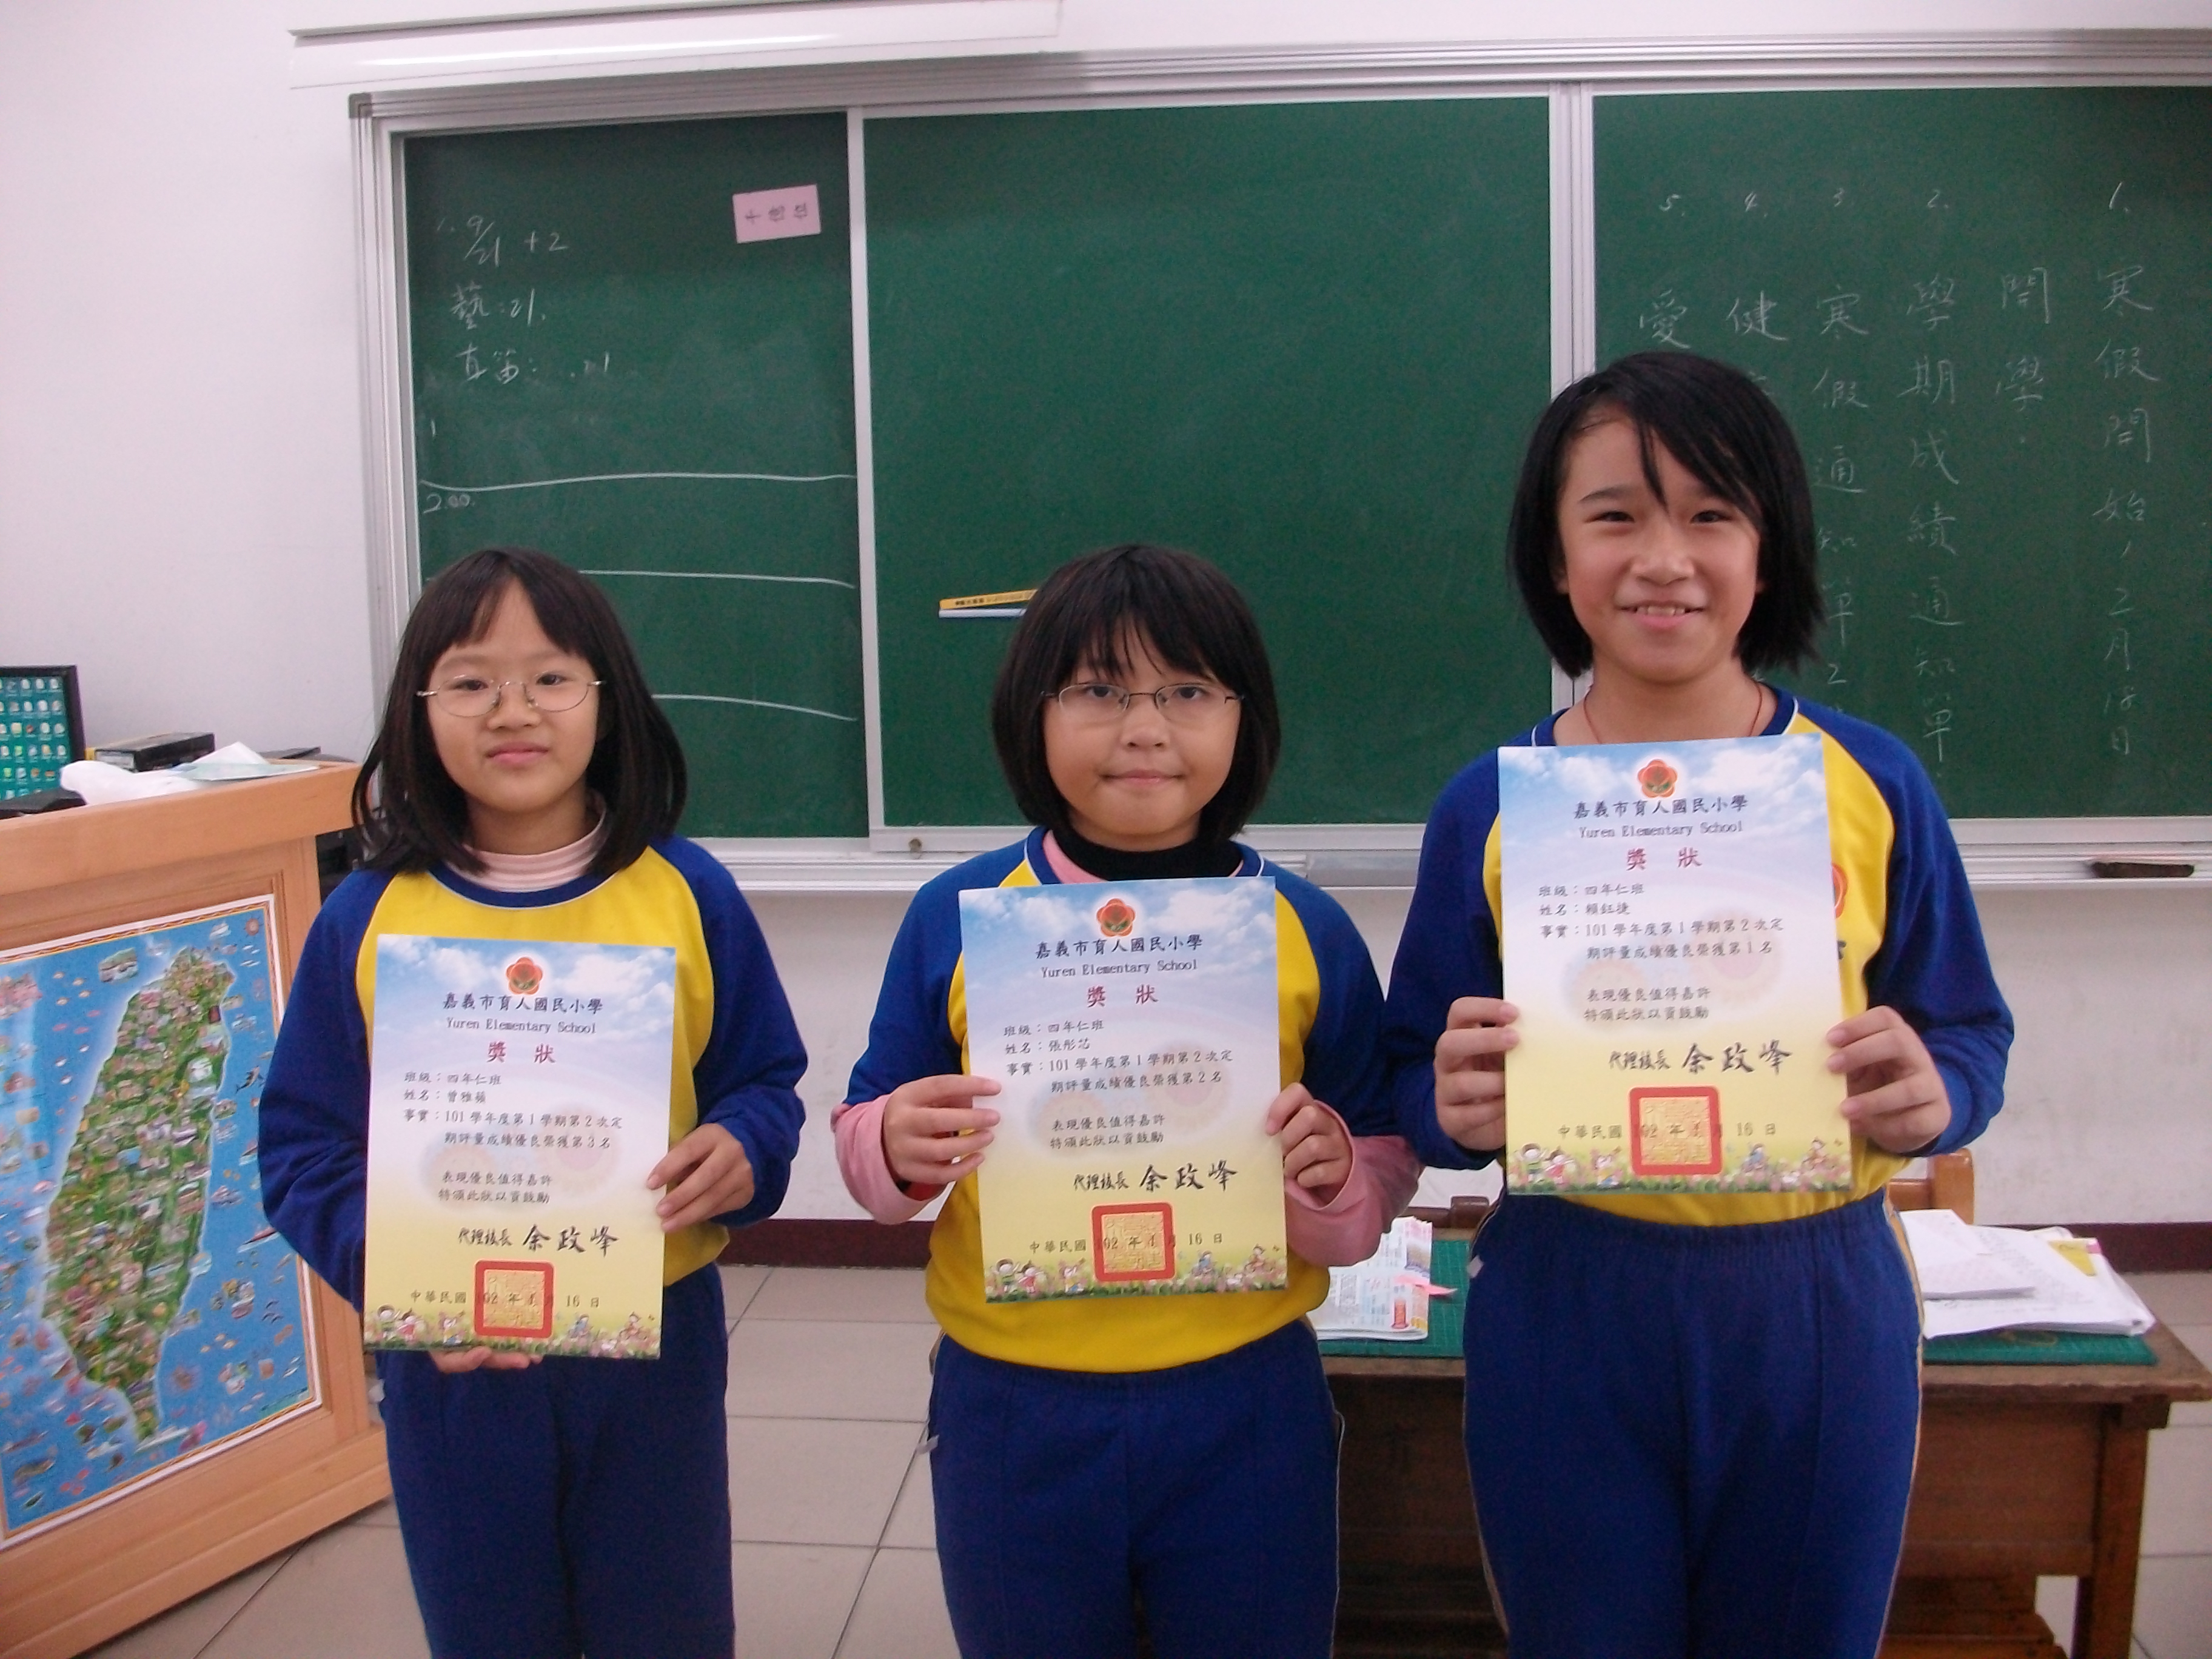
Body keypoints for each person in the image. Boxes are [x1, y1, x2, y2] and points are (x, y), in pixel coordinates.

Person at [1382, 352, 2014, 1659]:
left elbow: (1967, 1028)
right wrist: (1448, 1109)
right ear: (1555, 558)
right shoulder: (1489, 805)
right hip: (1569, 1288)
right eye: (1616, 515)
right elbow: (1407, 1073)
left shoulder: (1870, 779)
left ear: (1767, 553)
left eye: (1711, 514)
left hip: (1816, 1295)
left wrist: (1940, 1093)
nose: (1664, 559)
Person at [839, 543, 1419, 1659]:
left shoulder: (1304, 926)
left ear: (1244, 718)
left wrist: (1337, 1174)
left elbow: (1378, 1168)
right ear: (1034, 713)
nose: (1145, 728)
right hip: (1014, 1402)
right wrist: (898, 1142)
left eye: (1188, 692)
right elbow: (869, 1147)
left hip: (1244, 1397)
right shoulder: (959, 914)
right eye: (1100, 690)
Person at [261, 546, 805, 1659]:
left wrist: (744, 1147)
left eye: (551, 677)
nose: (513, 711)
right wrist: (388, 1265)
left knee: (666, 1621)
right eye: (471, 682)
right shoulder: (367, 913)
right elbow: (304, 1146)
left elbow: (763, 1083)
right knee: (489, 1626)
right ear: (420, 711)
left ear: (609, 698)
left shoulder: (686, 891)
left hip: (654, 1345)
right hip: (454, 1364)